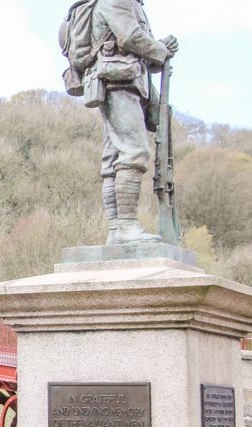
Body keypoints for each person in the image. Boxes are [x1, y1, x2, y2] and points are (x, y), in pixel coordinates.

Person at [92, 0, 178, 244]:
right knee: (133, 152)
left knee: (113, 160)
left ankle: (116, 231)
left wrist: (158, 50)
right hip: (120, 84)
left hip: (126, 83)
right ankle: (126, 227)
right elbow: (129, 37)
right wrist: (160, 50)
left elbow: (135, 48)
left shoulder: (133, 4)